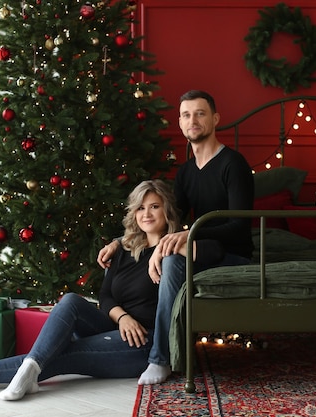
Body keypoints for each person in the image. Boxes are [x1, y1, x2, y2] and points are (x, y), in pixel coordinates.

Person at [0, 180, 183, 401]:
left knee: (65, 354)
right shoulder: (124, 249)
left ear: (167, 211)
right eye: (140, 208)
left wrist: (131, 322)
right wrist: (122, 317)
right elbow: (105, 297)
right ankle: (21, 369)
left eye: (154, 207)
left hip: (141, 343)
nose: (146, 213)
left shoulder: (174, 255)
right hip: (115, 326)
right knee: (69, 300)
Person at [98, 90, 254, 385]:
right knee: (169, 257)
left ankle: (160, 358)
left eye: (200, 113)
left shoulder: (234, 164)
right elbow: (165, 220)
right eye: (186, 114)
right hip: (197, 250)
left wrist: (186, 235)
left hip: (232, 255)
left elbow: (239, 227)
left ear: (215, 119)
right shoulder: (184, 173)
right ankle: (156, 346)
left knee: (170, 258)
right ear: (180, 123)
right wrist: (121, 241)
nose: (192, 120)